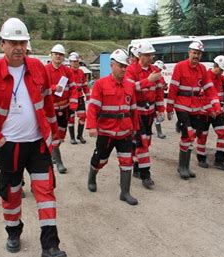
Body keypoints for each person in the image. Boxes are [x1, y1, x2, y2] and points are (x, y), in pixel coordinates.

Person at [0, 18, 66, 257]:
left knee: (46, 192)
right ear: (2, 44)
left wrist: (54, 135)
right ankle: (13, 232)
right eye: (13, 42)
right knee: (11, 192)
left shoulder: (38, 68)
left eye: (22, 42)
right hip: (9, 146)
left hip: (38, 144)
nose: (18, 47)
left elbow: (48, 105)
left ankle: (50, 245)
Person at [86, 49, 139, 205]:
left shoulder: (130, 85)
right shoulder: (100, 84)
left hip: (125, 132)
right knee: (100, 160)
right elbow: (93, 107)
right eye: (120, 65)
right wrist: (91, 126)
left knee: (127, 161)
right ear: (112, 65)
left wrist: (135, 127)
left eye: (125, 66)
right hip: (106, 132)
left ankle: (125, 192)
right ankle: (92, 175)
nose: (124, 69)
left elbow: (133, 109)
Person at [166, 40, 218, 179]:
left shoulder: (202, 69)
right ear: (189, 52)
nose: (196, 56)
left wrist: (215, 106)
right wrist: (169, 107)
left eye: (199, 53)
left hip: (196, 107)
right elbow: (173, 88)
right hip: (182, 105)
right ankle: (182, 167)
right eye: (194, 52)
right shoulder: (180, 67)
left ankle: (186, 166)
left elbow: (209, 89)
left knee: (192, 135)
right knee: (188, 134)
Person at [125, 41, 165, 188]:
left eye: (151, 55)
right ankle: (145, 175)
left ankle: (136, 166)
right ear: (139, 55)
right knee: (142, 143)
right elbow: (129, 89)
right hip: (137, 112)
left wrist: (161, 110)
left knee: (146, 141)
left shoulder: (154, 70)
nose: (150, 58)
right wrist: (147, 81)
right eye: (147, 55)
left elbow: (159, 92)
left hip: (150, 112)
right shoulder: (131, 70)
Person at [196, 55, 224, 170]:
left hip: (218, 112)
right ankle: (201, 157)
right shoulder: (205, 77)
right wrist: (211, 110)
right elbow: (203, 97)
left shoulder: (221, 78)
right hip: (204, 112)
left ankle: (219, 160)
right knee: (202, 135)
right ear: (215, 66)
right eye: (220, 70)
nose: (221, 72)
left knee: (223, 133)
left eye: (223, 70)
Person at [45, 44, 78, 173]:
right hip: (50, 109)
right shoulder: (45, 69)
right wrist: (54, 88)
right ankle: (59, 162)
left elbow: (73, 88)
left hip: (64, 109)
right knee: (53, 136)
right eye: (56, 54)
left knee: (61, 135)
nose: (58, 56)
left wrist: (73, 104)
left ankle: (54, 152)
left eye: (61, 54)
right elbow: (40, 87)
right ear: (51, 55)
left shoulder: (67, 71)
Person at [68, 52, 90, 144]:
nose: (75, 63)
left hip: (80, 97)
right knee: (71, 118)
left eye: (76, 61)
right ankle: (72, 137)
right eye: (73, 61)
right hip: (70, 98)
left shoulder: (81, 72)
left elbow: (85, 85)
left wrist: (89, 96)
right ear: (70, 62)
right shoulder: (66, 72)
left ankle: (79, 135)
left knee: (82, 117)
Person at [153, 60, 168, 139]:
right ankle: (159, 133)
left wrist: (165, 86)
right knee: (155, 117)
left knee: (155, 116)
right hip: (153, 100)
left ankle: (158, 132)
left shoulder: (160, 77)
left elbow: (164, 87)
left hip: (158, 99)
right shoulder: (151, 76)